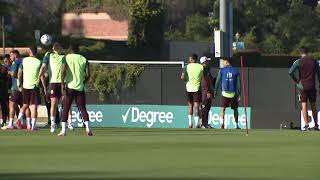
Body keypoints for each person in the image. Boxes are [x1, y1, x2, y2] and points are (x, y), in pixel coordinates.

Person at [38, 42, 74, 133]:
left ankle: (70, 122)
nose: (57, 48)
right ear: (53, 48)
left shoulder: (64, 57)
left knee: (67, 103)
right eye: (55, 47)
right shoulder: (48, 55)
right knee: (54, 104)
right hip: (53, 83)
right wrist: (39, 77)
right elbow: (43, 66)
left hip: (63, 83)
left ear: (61, 48)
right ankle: (53, 123)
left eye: (58, 46)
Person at [58, 43, 92, 136]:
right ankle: (88, 129)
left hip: (69, 87)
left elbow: (63, 70)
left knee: (66, 108)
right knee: (82, 108)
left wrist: (62, 84)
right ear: (78, 50)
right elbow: (88, 75)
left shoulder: (66, 58)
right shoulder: (84, 59)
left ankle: (64, 131)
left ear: (70, 50)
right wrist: (83, 82)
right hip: (80, 87)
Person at [289, 46, 320, 131]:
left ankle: (306, 125)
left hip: (303, 86)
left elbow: (290, 72)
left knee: (304, 104)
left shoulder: (298, 61)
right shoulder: (314, 61)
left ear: (300, 53)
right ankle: (316, 125)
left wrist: (296, 81)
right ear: (308, 52)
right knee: (313, 105)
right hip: (312, 86)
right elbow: (319, 73)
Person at [2, 50, 30, 129]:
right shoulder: (24, 61)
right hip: (25, 86)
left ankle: (10, 124)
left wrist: (10, 73)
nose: (10, 58)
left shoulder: (15, 62)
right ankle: (27, 124)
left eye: (11, 56)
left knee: (12, 105)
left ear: (15, 55)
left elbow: (14, 74)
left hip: (16, 87)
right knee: (25, 105)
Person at [16, 46, 41, 131]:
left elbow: (19, 73)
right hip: (34, 86)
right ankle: (33, 126)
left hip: (25, 86)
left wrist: (19, 84)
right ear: (36, 52)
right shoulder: (38, 62)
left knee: (25, 105)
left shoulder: (24, 60)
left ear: (30, 52)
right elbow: (41, 75)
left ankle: (19, 119)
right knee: (34, 107)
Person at [215, 58, 241, 129]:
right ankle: (236, 125)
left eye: (224, 62)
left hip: (224, 93)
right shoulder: (236, 70)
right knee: (235, 109)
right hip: (233, 93)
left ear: (226, 62)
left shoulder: (222, 70)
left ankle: (221, 124)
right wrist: (239, 93)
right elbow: (238, 83)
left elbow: (217, 81)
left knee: (222, 109)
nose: (223, 63)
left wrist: (215, 91)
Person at [181, 54, 203, 128]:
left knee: (190, 105)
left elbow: (182, 77)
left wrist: (186, 81)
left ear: (191, 59)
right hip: (197, 88)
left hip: (189, 88)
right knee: (196, 106)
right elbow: (204, 77)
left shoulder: (186, 66)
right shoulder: (201, 66)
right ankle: (197, 124)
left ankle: (190, 123)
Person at [199, 56, 215, 128]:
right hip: (205, 91)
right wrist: (208, 91)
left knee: (207, 108)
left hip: (209, 91)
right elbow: (205, 82)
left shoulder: (207, 69)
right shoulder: (203, 70)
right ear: (204, 62)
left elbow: (210, 80)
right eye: (207, 61)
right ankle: (203, 123)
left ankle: (205, 123)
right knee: (204, 107)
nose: (208, 62)